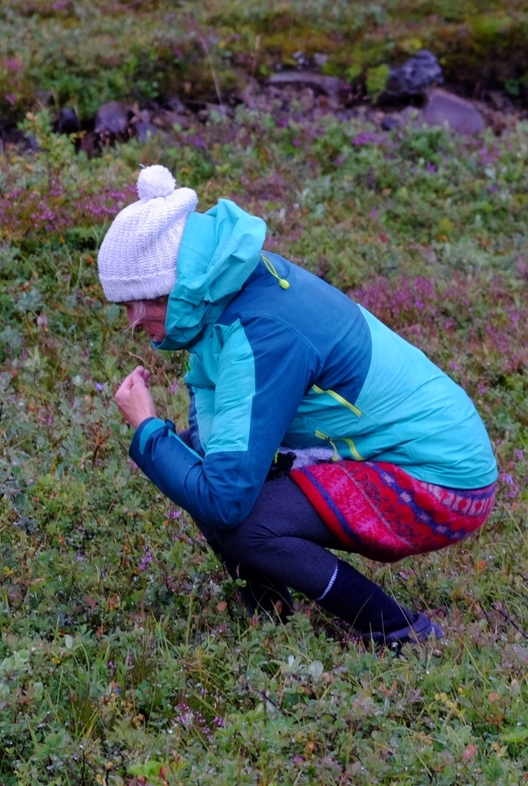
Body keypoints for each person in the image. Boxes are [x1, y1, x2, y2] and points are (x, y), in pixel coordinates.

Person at [101, 165, 498, 647]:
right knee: (198, 466)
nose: (132, 323)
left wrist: (147, 430)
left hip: (443, 483)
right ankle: (269, 622)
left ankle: (399, 631)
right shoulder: (228, 291)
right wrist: (179, 449)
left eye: (136, 306)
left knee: (242, 520)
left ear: (172, 286)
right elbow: (212, 435)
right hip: (407, 455)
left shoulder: (260, 334)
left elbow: (225, 501)